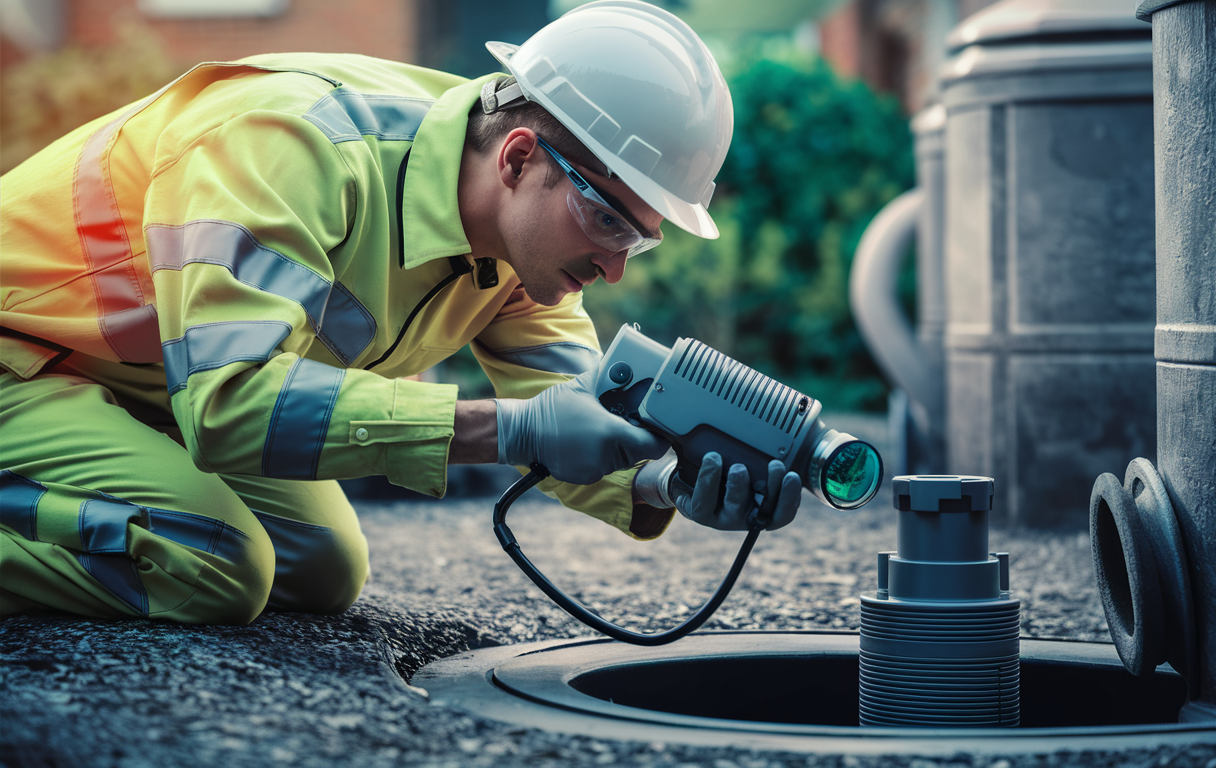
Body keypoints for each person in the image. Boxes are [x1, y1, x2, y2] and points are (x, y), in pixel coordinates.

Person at [0, 0, 801, 624]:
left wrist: (668, 481)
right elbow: (228, 400)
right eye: (610, 222)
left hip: (141, 382)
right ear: (520, 157)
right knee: (219, 565)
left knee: (321, 567)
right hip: (25, 357)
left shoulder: (519, 245)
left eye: (644, 240)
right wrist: (507, 429)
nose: (617, 268)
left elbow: (576, 410)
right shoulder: (291, 144)